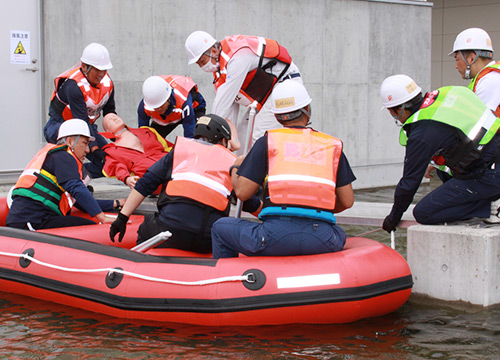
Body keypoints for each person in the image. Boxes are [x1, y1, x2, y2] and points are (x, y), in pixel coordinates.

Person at [211, 81, 356, 259]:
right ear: (307, 109)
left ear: (278, 117)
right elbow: (347, 201)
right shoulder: (332, 146)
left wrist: (236, 167)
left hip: (274, 237)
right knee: (339, 233)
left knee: (220, 227)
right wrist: (319, 209)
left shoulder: (268, 142)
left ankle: (226, 282)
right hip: (322, 238)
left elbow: (242, 192)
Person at [109, 114, 262, 253]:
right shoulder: (232, 163)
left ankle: (140, 268)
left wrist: (122, 218)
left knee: (145, 228)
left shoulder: (179, 152)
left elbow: (146, 183)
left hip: (169, 231)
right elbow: (250, 203)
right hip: (207, 240)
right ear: (223, 140)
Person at [379, 74, 500, 231]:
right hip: (492, 158)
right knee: (443, 172)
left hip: (489, 174)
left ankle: (491, 206)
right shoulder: (445, 95)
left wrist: (393, 218)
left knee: (424, 212)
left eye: (391, 112)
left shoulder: (421, 133)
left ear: (400, 109)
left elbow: (409, 183)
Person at [185, 31, 303, 148]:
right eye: (198, 64)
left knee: (260, 135)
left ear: (214, 51)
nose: (202, 67)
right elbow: (228, 112)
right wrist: (225, 140)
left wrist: (209, 139)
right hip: (267, 94)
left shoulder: (237, 57)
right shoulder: (220, 71)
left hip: (285, 84)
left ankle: (265, 166)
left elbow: (223, 104)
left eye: (203, 61)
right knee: (242, 136)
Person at [6, 119, 124, 230]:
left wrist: (115, 203)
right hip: (32, 221)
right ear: (70, 141)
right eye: (84, 143)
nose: (87, 150)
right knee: (91, 228)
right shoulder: (63, 156)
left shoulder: (56, 157)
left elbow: (79, 201)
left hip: (32, 218)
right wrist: (102, 217)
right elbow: (77, 188)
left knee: (86, 225)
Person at [43, 43, 116, 178]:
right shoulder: (73, 86)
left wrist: (119, 137)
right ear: (84, 66)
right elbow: (81, 122)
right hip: (60, 127)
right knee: (72, 151)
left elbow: (110, 112)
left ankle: (79, 178)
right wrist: (94, 149)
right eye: (97, 69)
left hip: (87, 127)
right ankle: (63, 180)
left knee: (107, 164)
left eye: (104, 70)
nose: (101, 74)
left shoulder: (108, 84)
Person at [101, 113, 173, 189]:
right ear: (107, 131)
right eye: (110, 120)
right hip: (151, 178)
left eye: (116, 116)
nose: (115, 118)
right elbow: (116, 166)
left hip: (171, 165)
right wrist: (126, 178)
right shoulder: (111, 150)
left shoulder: (146, 130)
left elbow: (169, 147)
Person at [449, 28, 500, 117]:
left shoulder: (489, 81)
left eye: (457, 59)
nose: (456, 66)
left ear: (471, 58)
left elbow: (479, 121)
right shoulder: (491, 77)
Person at [138, 75, 206, 139]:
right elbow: (143, 133)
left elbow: (189, 130)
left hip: (194, 109)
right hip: (168, 116)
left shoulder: (184, 102)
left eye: (161, 106)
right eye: (155, 107)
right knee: (153, 140)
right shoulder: (145, 107)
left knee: (197, 138)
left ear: (168, 98)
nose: (158, 110)